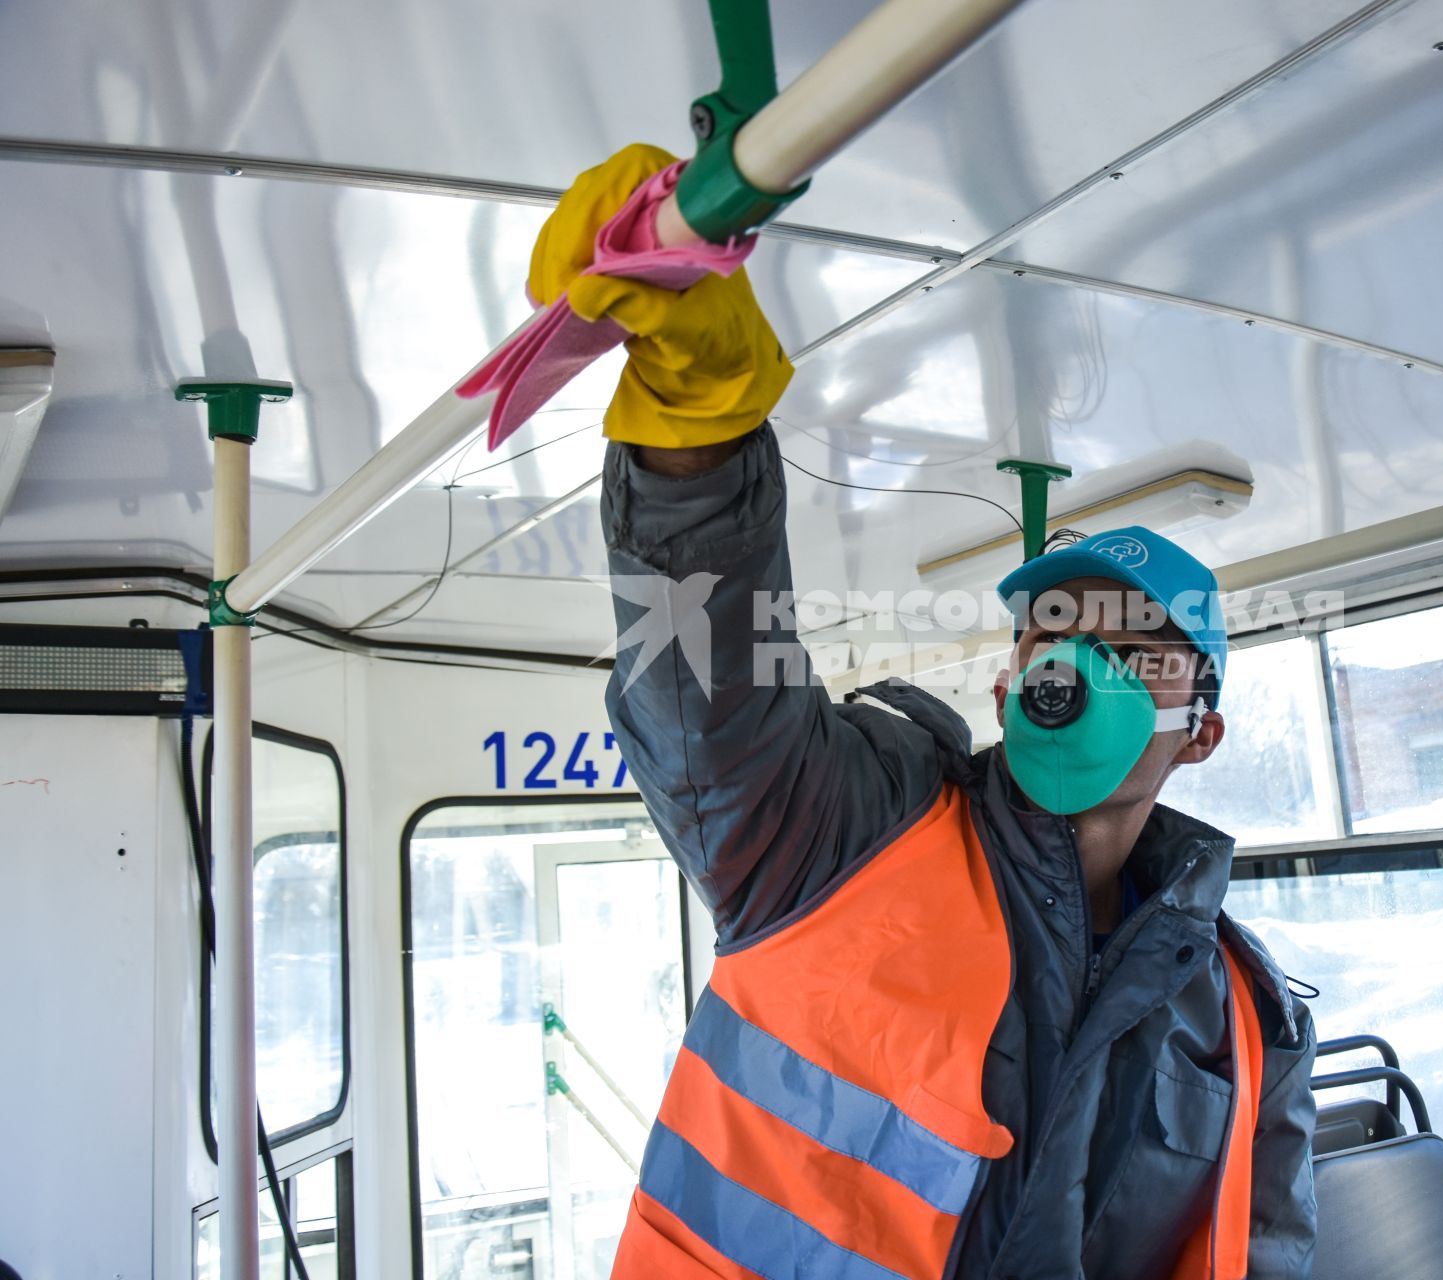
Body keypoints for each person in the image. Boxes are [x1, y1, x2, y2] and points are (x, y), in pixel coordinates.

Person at [548, 146, 1316, 1279]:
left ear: (1200, 728)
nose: (1077, 664)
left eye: (1130, 644)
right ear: (1009, 682)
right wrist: (693, 442)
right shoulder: (852, 828)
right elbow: (701, 696)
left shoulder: (1245, 1024)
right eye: (1053, 631)